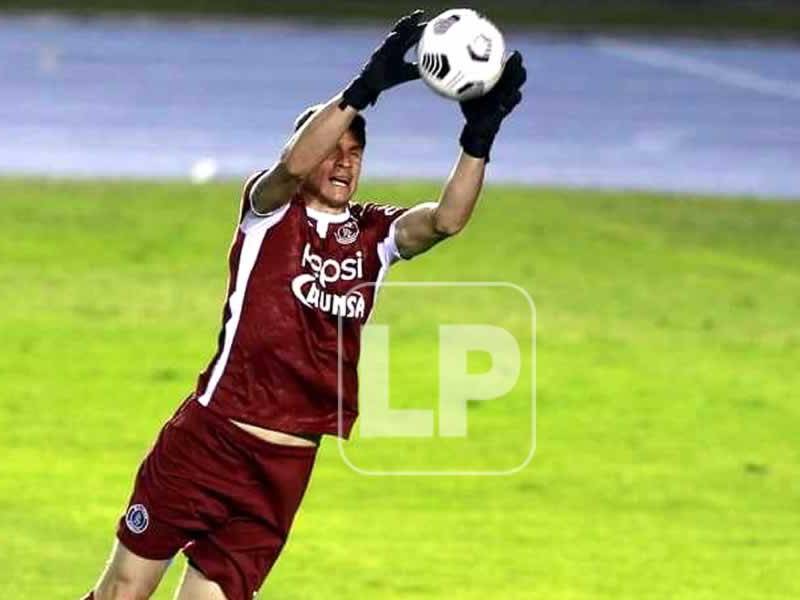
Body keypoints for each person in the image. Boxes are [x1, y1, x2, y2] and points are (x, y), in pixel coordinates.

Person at [82, 10, 525, 600]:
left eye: (355, 152)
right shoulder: (270, 211)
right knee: (122, 593)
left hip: (285, 469)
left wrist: (479, 140)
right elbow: (292, 165)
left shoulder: (374, 235)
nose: (344, 162)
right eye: (332, 149)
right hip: (211, 440)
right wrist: (365, 87)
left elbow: (446, 220)